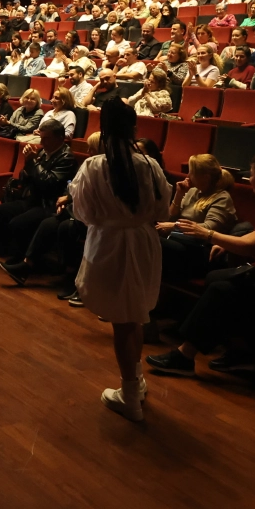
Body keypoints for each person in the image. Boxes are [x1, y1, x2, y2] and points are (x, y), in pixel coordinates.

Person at [147, 152, 255, 378]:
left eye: (252, 175)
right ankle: (243, 349)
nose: (249, 179)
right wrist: (228, 244)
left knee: (223, 289)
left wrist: (209, 234)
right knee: (215, 279)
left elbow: (252, 245)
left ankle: (185, 355)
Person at [67, 101, 167, 421]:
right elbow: (163, 207)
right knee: (133, 316)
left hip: (109, 242)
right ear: (134, 128)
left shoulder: (95, 165)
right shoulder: (149, 164)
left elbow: (82, 212)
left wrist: (109, 219)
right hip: (142, 241)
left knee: (122, 323)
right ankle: (134, 382)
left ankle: (130, 395)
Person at [0, 118, 77, 261]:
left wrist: (32, 162)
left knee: (17, 224)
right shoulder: (43, 152)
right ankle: (4, 249)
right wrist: (27, 164)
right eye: (41, 138)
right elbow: (26, 179)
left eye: (46, 139)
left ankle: (21, 258)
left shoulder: (67, 157)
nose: (42, 143)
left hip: (48, 204)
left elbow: (49, 183)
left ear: (60, 138)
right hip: (33, 198)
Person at [157, 154, 237, 283]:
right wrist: (179, 194)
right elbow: (170, 217)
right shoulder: (193, 191)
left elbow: (208, 229)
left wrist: (174, 226)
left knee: (155, 242)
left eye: (192, 173)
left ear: (205, 177)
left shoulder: (222, 198)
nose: (188, 176)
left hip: (200, 251)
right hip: (179, 242)